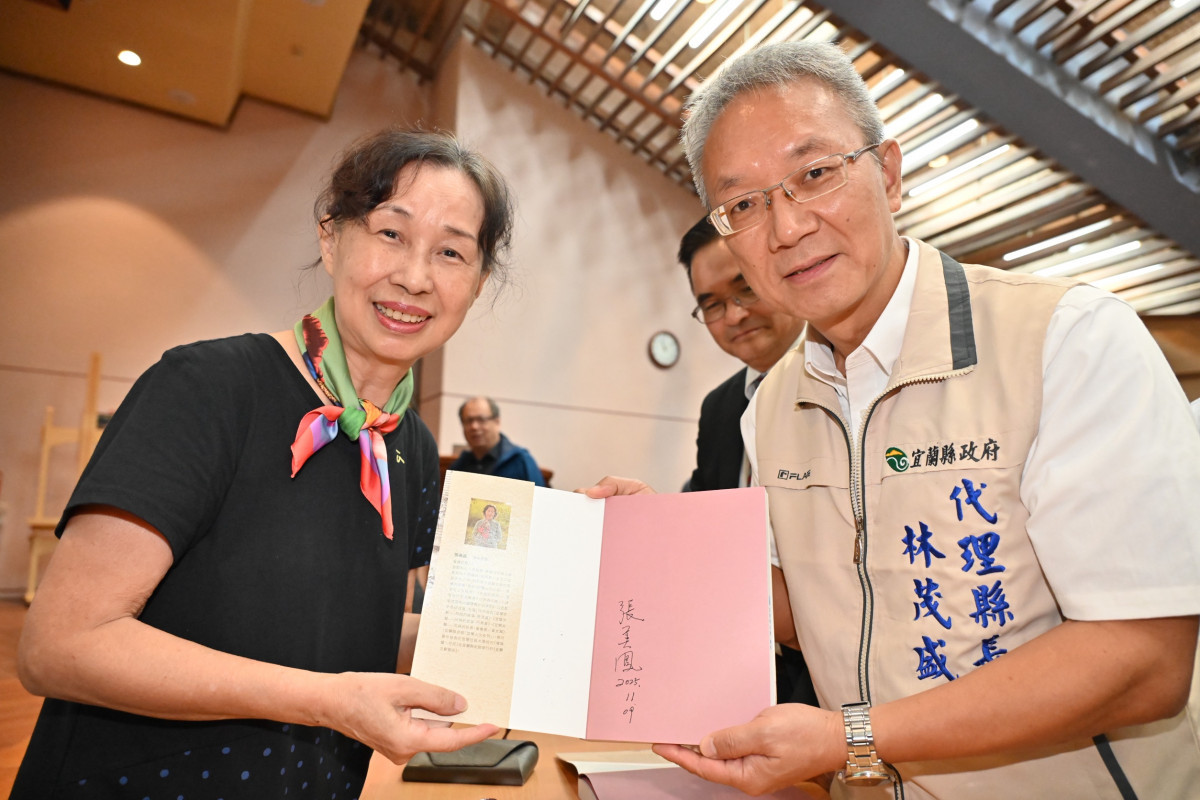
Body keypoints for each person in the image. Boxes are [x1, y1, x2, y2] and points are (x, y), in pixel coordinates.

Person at [588, 41, 1200, 798]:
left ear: (889, 172)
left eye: (814, 174)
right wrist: (668, 549)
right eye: (743, 204)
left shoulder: (1067, 340)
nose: (785, 228)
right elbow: (797, 604)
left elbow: (1144, 659)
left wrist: (852, 735)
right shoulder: (770, 405)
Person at [13, 128, 514, 797]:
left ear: (477, 283)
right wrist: (326, 702)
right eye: (390, 234)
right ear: (331, 237)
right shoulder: (205, 388)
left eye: (451, 252)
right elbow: (61, 645)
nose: (415, 277)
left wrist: (554, 592)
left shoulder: (412, 448)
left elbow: (349, 629)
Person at [678, 215, 816, 708]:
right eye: (711, 305)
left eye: (745, 290)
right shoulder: (719, 408)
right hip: (745, 668)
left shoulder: (839, 382)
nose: (733, 316)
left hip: (831, 670)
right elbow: (702, 512)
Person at [447, 396, 547, 486]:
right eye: (468, 421)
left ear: (497, 422)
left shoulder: (520, 461)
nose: (474, 427)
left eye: (481, 419)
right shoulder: (459, 466)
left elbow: (540, 502)